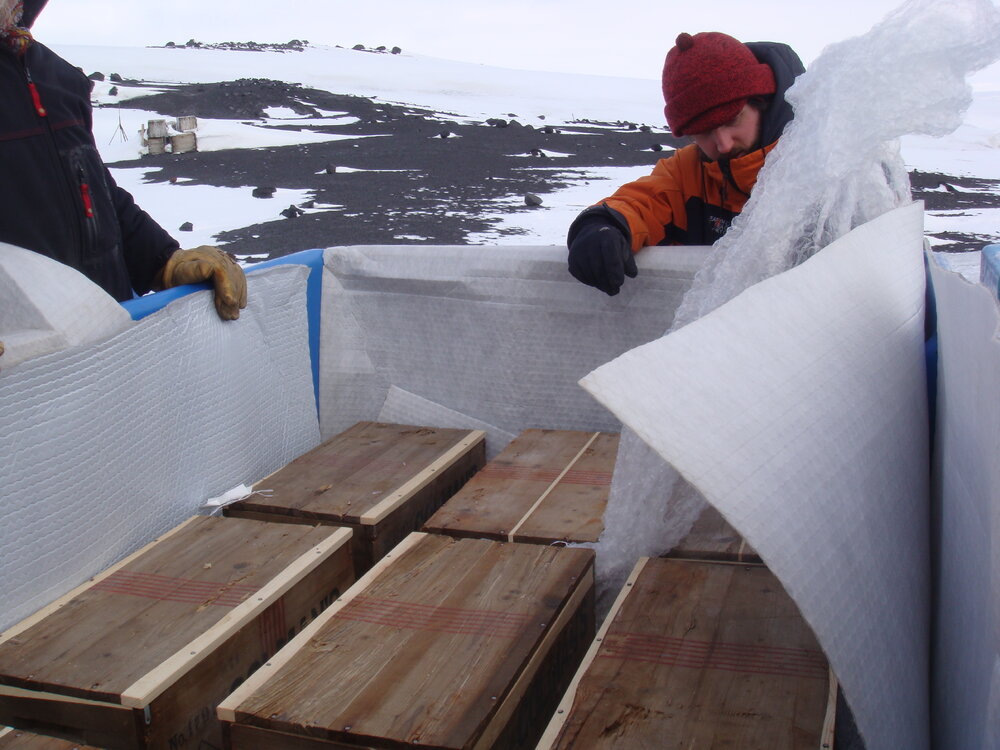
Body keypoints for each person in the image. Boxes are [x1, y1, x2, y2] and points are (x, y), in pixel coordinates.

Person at [0, 0, 247, 323]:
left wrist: (165, 260)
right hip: (24, 352)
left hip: (105, 339)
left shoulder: (55, 78)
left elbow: (95, 191)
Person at [567, 31, 805, 296]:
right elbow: (641, 202)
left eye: (732, 120)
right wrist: (602, 225)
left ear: (761, 102)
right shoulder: (688, 172)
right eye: (704, 131)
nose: (723, 144)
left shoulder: (818, 163)